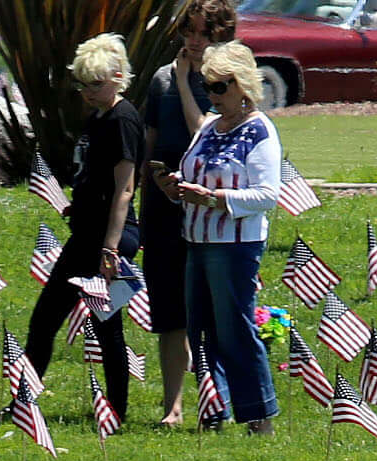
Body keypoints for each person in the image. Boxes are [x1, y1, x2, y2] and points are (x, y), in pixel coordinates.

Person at [150, 42, 284, 434]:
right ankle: (214, 409)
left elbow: (267, 195)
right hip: (197, 239)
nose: (214, 94)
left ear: (243, 85)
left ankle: (258, 416)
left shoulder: (260, 131)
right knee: (201, 331)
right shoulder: (208, 126)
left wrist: (214, 199)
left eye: (221, 86)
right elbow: (194, 170)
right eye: (209, 86)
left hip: (236, 246)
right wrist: (175, 186)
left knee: (235, 329)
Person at [23, 35, 149, 427]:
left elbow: (125, 188)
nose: (88, 93)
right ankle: (25, 401)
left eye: (96, 84)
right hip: (86, 232)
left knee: (104, 325)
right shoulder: (97, 118)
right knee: (45, 320)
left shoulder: (123, 119)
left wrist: (110, 251)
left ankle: (116, 411)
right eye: (83, 85)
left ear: (118, 77)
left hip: (109, 238)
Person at [139, 0, 238, 426]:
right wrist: (148, 187)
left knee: (213, 310)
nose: (195, 42)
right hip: (164, 207)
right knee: (169, 310)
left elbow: (207, 134)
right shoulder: (160, 79)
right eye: (189, 33)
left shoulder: (228, 82)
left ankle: (214, 402)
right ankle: (172, 406)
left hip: (211, 210)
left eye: (205, 33)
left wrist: (184, 81)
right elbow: (150, 142)